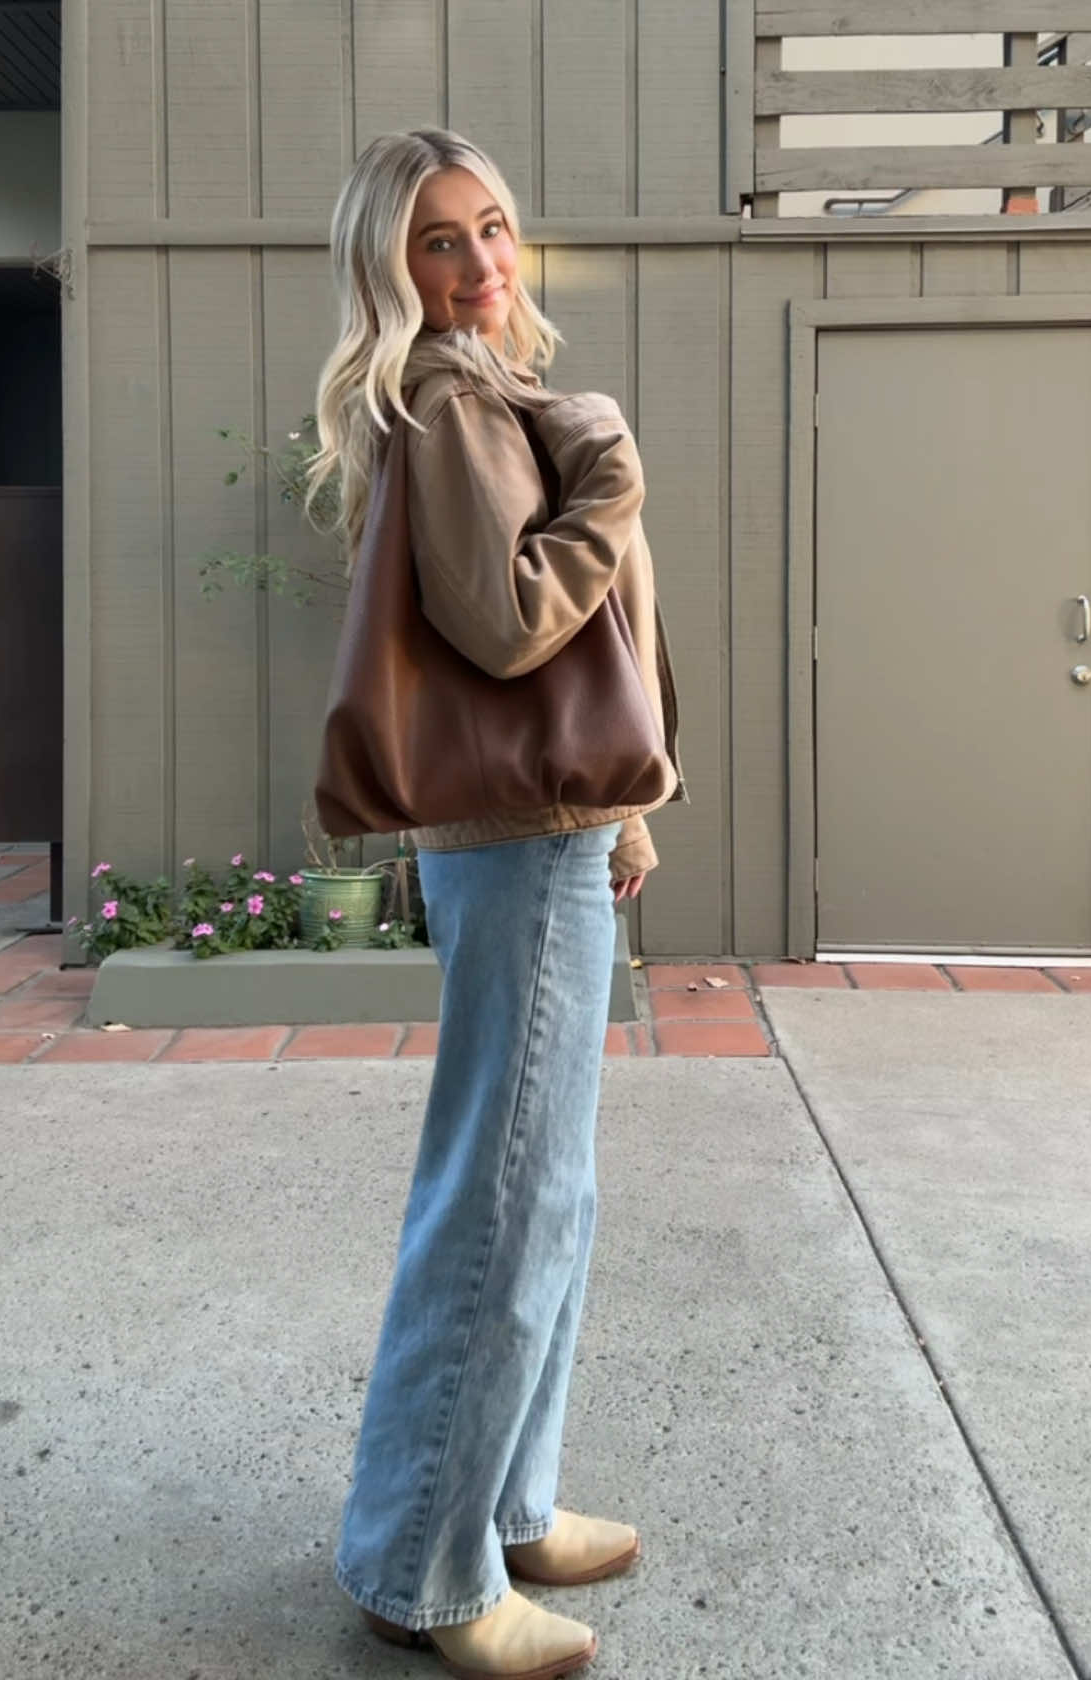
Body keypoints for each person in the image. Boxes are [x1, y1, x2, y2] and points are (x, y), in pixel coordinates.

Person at [306, 127, 688, 1681]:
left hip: (553, 828)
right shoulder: (455, 400)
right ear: (390, 266)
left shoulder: (496, 389)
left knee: (547, 1200)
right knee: (500, 1207)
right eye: (438, 240)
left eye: (493, 229)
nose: (478, 262)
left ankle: (507, 1504)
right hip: (518, 844)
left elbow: (571, 648)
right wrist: (612, 472)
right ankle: (423, 1565)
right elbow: (514, 620)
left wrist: (622, 802)